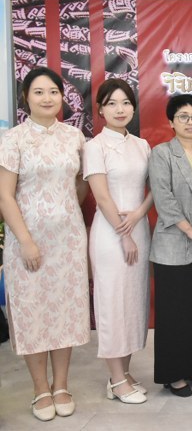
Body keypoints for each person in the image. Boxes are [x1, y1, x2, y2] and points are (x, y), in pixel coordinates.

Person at [0, 67, 90, 421]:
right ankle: (40, 389)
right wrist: (25, 240)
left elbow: (81, 184)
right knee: (33, 312)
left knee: (65, 311)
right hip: (28, 242)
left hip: (68, 240)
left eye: (53, 91)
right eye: (39, 92)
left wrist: (65, 212)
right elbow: (5, 196)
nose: (47, 98)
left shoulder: (74, 137)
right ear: (26, 97)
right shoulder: (14, 139)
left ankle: (62, 385)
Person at [84, 78, 153, 404]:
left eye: (125, 102)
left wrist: (138, 214)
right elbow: (101, 196)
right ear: (100, 109)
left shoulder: (142, 145)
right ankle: (115, 379)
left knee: (133, 302)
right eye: (112, 103)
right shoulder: (95, 146)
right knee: (113, 302)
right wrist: (124, 235)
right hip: (111, 237)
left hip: (139, 230)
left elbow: (155, 188)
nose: (120, 109)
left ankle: (124, 372)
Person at [149, 94, 192, 397]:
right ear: (171, 122)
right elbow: (162, 196)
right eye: (183, 117)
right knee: (174, 312)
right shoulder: (162, 153)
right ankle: (174, 373)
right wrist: (189, 230)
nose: (190, 122)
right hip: (174, 246)